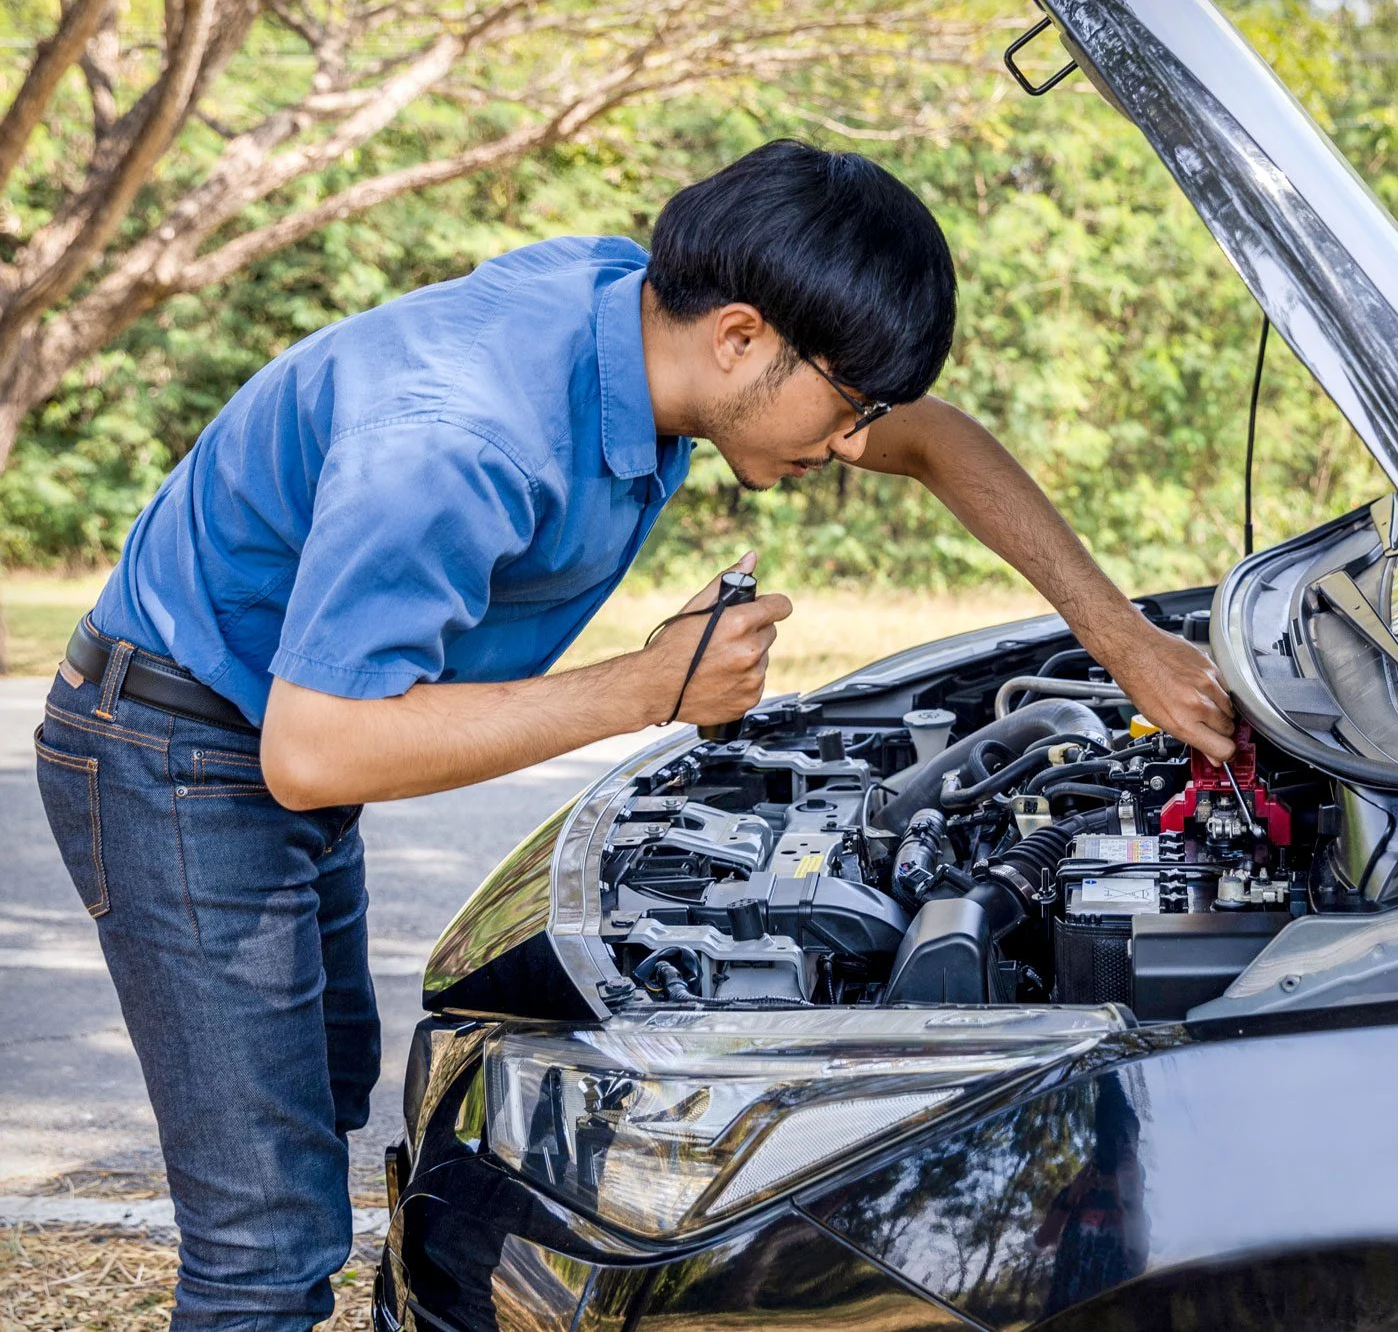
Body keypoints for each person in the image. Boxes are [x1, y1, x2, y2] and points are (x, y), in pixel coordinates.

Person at [33, 138, 1235, 1329]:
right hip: (174, 749)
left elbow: (931, 436)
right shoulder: (463, 442)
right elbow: (316, 748)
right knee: (262, 1238)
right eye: (848, 404)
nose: (852, 441)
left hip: (255, 729)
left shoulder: (635, 309)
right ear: (741, 337)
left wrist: (1120, 639)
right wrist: (650, 686)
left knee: (320, 1099)